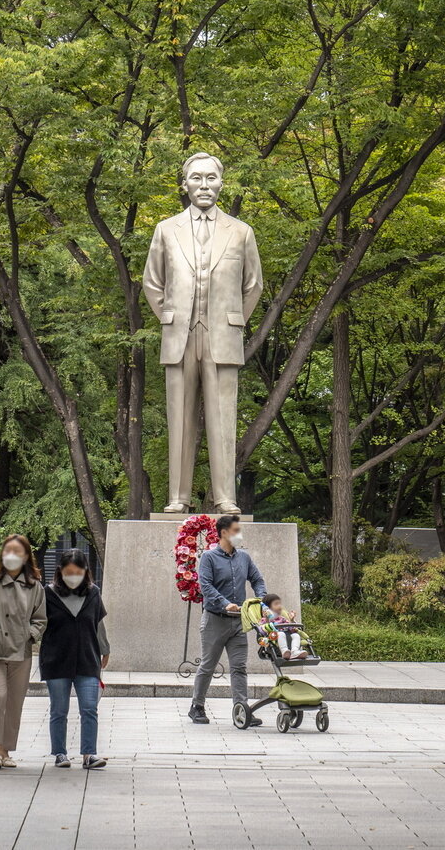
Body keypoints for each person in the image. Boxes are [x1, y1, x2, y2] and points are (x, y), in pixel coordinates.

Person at [142, 151, 263, 514]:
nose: (204, 185)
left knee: (223, 419)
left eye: (211, 178)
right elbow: (152, 281)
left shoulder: (241, 232)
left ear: (221, 183)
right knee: (179, 418)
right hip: (179, 335)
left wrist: (234, 321)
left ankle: (225, 496)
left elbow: (253, 285)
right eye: (197, 178)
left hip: (222, 337)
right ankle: (178, 497)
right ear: (185, 184)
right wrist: (169, 317)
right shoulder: (165, 229)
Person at [0, 535, 46, 769]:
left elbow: (41, 618)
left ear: (26, 557)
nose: (12, 556)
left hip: (21, 653)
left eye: (17, 552)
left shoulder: (35, 586)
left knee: (15, 701)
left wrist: (30, 635)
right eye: (8, 551)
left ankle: (7, 751)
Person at [190, 514, 266, 726]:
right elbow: (205, 586)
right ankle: (197, 706)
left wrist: (260, 599)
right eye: (236, 530)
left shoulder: (244, 558)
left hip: (239, 622)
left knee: (239, 667)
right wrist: (224, 603)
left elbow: (257, 579)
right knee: (208, 665)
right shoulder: (209, 558)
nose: (239, 534)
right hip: (215, 619)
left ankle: (242, 710)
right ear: (224, 532)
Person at [39, 549, 109, 770]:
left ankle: (89, 754)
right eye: (69, 572)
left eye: (78, 572)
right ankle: (60, 753)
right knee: (59, 709)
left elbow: (98, 624)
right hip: (56, 659)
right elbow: (39, 623)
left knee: (89, 707)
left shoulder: (93, 593)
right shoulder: (48, 593)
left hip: (87, 658)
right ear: (60, 571)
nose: (73, 576)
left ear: (85, 572)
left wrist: (105, 649)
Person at [261, 593, 307, 660]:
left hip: (288, 641)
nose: (280, 606)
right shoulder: (264, 620)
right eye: (276, 604)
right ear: (268, 608)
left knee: (296, 635)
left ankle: (294, 651)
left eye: (280, 604)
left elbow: (292, 629)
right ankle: (284, 651)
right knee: (281, 633)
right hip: (275, 643)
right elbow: (263, 630)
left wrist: (292, 620)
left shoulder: (282, 619)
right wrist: (267, 619)